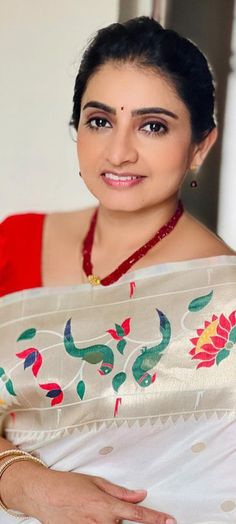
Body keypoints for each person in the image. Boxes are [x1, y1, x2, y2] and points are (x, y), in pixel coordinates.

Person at [0, 15, 235, 524]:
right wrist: (22, 481)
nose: (119, 152)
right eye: (100, 120)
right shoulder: (13, 243)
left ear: (201, 145)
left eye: (153, 126)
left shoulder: (226, 295)